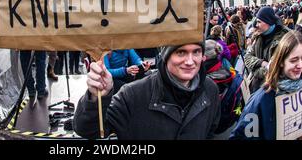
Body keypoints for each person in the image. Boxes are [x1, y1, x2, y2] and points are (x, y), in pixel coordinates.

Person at [73, 43, 221, 139]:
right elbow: (88, 130)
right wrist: (96, 98)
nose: (189, 61)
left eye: (196, 52)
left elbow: (210, 132)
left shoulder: (210, 89)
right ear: (166, 55)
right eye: (181, 53)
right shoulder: (132, 94)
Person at [230, 31, 302, 140]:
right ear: (281, 61)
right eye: (294, 60)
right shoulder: (261, 99)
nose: (300, 65)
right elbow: (240, 137)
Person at [244, 6, 289, 93]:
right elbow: (247, 57)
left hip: (274, 89)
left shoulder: (284, 40)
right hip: (257, 87)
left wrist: (254, 70)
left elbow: (275, 70)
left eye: (259, 22)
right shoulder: (258, 36)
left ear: (268, 22)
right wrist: (262, 63)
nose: (256, 25)